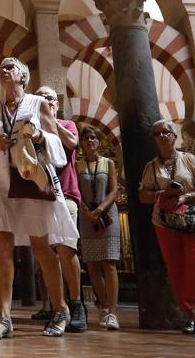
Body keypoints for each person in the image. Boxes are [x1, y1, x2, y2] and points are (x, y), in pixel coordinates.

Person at [0, 57, 78, 339]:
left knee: (40, 245)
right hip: (2, 179)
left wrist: (38, 137)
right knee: (2, 244)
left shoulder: (38, 103)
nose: (4, 71)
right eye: (1, 69)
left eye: (10, 66)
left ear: (23, 75)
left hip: (32, 177)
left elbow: (58, 145)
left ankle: (60, 309)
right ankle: (4, 316)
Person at [138, 119, 195, 337]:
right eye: (157, 133)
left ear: (174, 136)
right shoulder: (151, 167)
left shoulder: (188, 160)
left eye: (165, 132)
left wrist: (185, 197)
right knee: (176, 267)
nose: (161, 136)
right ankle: (189, 315)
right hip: (165, 221)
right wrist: (162, 195)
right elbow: (143, 195)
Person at [33, 85, 87, 333]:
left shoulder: (67, 124)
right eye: (41, 98)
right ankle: (59, 307)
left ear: (57, 103)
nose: (46, 101)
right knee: (45, 253)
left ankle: (77, 304)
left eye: (50, 98)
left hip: (65, 194)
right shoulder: (31, 129)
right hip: (39, 197)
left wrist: (50, 121)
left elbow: (73, 143)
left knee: (66, 249)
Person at [76, 125, 121, 330]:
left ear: (98, 141)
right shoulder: (78, 166)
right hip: (87, 219)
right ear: (81, 143)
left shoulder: (108, 163)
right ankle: (103, 306)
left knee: (109, 264)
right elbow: (76, 192)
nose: (90, 141)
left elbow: (114, 190)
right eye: (86, 139)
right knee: (92, 265)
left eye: (93, 138)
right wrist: (86, 211)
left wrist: (100, 209)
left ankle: (112, 312)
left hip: (107, 217)